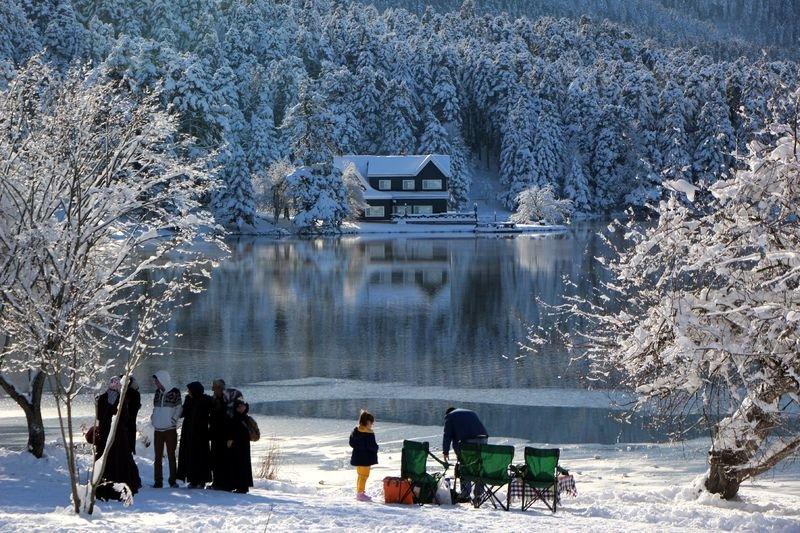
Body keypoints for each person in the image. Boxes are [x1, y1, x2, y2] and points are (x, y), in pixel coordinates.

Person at [95, 376, 142, 497]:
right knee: (120, 459)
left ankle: (103, 483)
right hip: (119, 435)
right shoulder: (121, 400)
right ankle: (121, 484)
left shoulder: (102, 398)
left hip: (105, 435)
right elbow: (125, 417)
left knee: (106, 459)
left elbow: (99, 417)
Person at [442, 407, 488, 503]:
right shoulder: (471, 412)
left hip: (468, 441)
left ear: (447, 414)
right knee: (479, 465)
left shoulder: (450, 417)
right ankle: (479, 494)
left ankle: (465, 494)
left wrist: (446, 452)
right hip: (483, 438)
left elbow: (447, 435)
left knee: (465, 464)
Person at [177, 381, 212, 488]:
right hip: (189, 432)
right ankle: (192, 480)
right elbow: (183, 413)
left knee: (201, 456)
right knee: (190, 456)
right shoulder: (189, 399)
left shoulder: (205, 400)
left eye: (190, 390)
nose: (188, 392)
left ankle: (201, 480)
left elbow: (214, 411)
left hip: (200, 433)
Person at [150, 370, 182, 488]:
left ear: (162, 379)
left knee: (171, 455)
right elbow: (155, 407)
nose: (155, 383)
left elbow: (179, 408)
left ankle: (172, 481)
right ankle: (158, 481)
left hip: (170, 429)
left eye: (157, 380)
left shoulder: (174, 392)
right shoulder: (157, 392)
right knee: (157, 457)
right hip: (158, 429)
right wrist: (153, 419)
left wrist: (173, 420)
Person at [223, 399, 254, 493]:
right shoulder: (236, 417)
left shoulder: (243, 417)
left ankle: (243, 486)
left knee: (242, 464)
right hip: (237, 445)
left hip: (243, 445)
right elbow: (232, 429)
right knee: (236, 464)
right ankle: (236, 485)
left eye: (242, 405)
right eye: (239, 406)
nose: (241, 407)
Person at [349, 410, 378, 502]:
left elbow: (351, 443)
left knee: (360, 475)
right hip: (366, 459)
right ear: (368, 422)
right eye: (371, 423)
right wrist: (376, 447)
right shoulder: (369, 433)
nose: (372, 425)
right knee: (364, 476)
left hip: (358, 457)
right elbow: (372, 446)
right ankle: (360, 493)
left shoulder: (356, 431)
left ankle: (359, 492)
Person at [125, 376, 141, 455]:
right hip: (131, 421)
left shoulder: (123, 393)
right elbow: (136, 407)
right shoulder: (135, 394)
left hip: (125, 422)